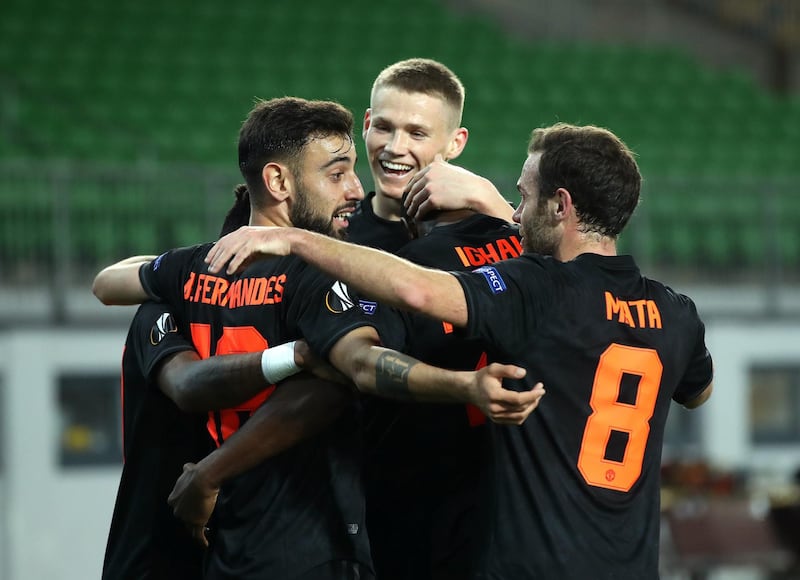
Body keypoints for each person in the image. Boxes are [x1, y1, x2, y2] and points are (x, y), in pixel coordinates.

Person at [205, 121, 715, 579]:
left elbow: (418, 290)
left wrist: (296, 242)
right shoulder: (676, 312)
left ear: (561, 206)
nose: (514, 214)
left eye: (524, 198)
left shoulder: (539, 289)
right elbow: (699, 392)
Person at [93, 96, 543, 580]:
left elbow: (107, 286)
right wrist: (464, 386)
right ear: (278, 182)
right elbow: (359, 368)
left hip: (208, 549)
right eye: (336, 174)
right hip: (308, 544)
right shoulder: (319, 280)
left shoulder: (187, 273)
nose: (355, 188)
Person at [101, 185, 355, 578]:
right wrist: (296, 355)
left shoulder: (286, 315)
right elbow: (188, 385)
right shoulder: (164, 307)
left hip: (225, 542)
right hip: (153, 542)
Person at [348, 57, 514, 253]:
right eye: (383, 127)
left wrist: (488, 197)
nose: (395, 148)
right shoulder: (335, 235)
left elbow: (548, 273)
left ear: (456, 143)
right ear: (367, 125)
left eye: (417, 134)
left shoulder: (489, 229)